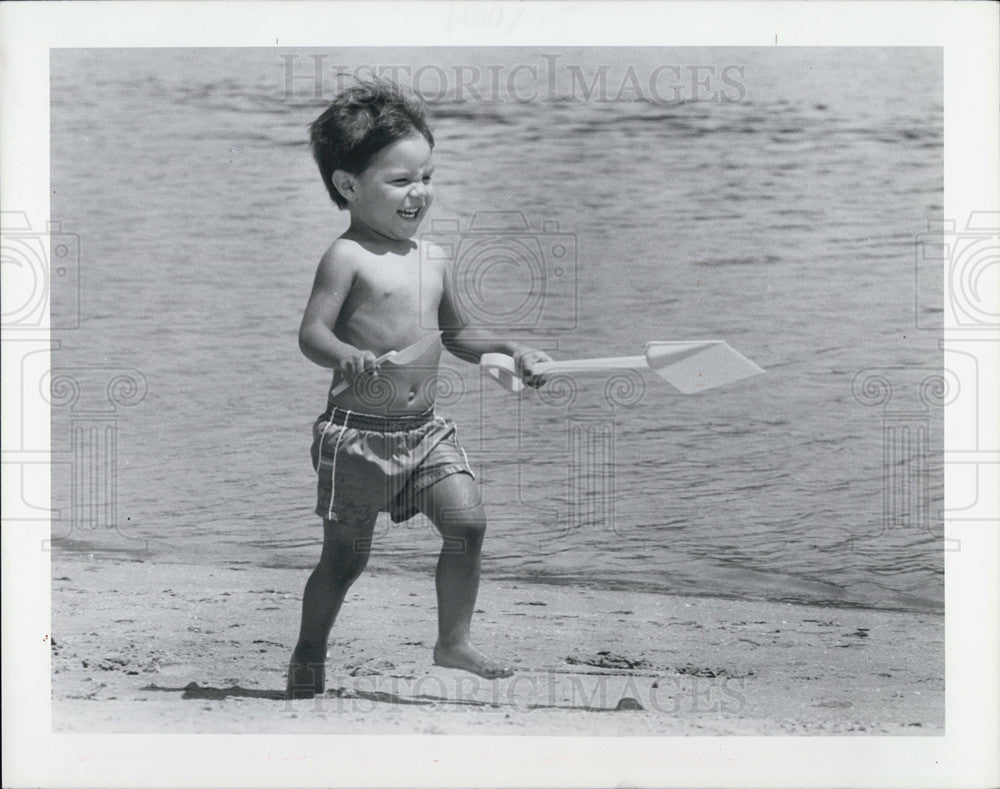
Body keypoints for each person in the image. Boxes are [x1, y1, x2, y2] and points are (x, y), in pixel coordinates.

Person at [286, 78, 551, 699]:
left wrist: (511, 349)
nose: (420, 192)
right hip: (357, 437)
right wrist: (346, 354)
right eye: (401, 181)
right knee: (345, 560)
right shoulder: (346, 257)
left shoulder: (432, 257)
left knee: (469, 523)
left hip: (424, 431)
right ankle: (308, 651)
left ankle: (452, 641)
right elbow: (310, 334)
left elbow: (458, 337)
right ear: (349, 186)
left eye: (427, 176)